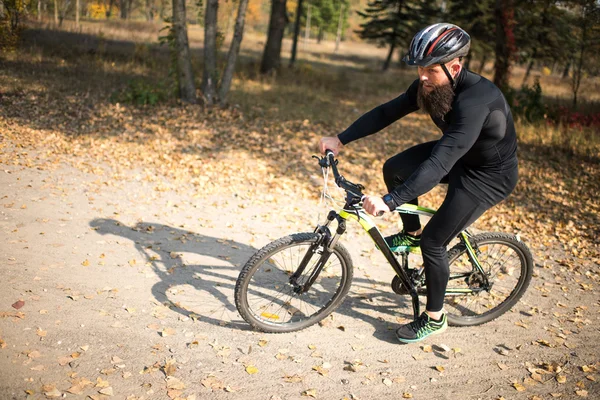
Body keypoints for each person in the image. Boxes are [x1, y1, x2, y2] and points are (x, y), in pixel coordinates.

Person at [319, 23, 519, 343]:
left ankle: (435, 317)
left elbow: (440, 161)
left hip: (487, 176)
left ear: (455, 67)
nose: (422, 76)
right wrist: (340, 138)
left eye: (430, 70)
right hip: (460, 157)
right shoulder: (429, 86)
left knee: (435, 243)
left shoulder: (477, 101)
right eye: (419, 69)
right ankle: (411, 233)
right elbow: (387, 112)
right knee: (395, 167)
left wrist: (390, 201)